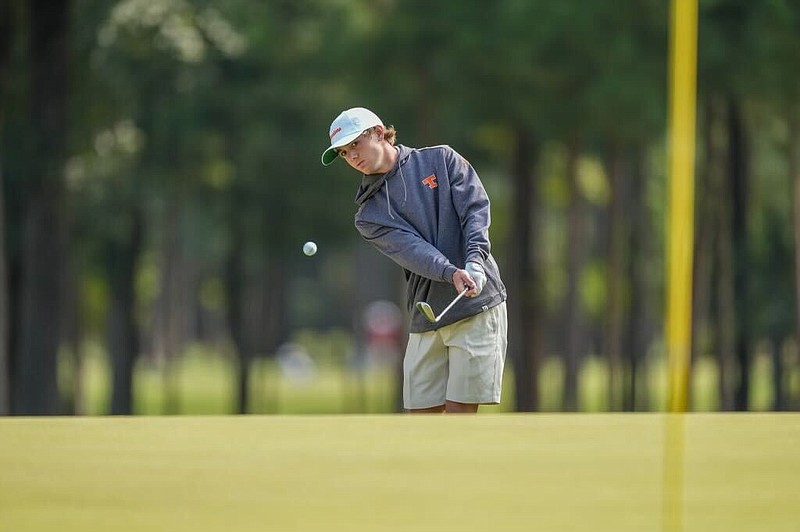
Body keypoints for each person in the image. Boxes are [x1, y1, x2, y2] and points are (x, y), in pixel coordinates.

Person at [321, 107, 508, 413]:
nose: (352, 156)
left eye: (355, 144)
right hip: (428, 311)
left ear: (379, 133)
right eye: (343, 153)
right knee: (421, 416)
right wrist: (450, 272)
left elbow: (475, 210)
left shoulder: (441, 160)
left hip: (476, 303)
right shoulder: (369, 215)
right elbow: (413, 251)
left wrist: (475, 259)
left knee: (460, 414)